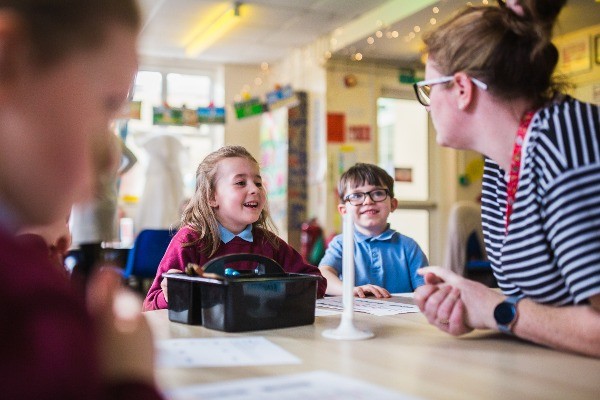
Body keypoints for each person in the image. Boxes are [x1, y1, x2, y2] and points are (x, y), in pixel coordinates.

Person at [412, 0, 600, 357]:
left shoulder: (564, 141)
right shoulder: (502, 165)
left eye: (428, 88)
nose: (428, 105)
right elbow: (537, 309)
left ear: (462, 88)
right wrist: (473, 305)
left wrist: (499, 311)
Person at [0, 0, 164, 398]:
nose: (109, 157)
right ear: (9, 57)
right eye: (108, 103)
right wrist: (129, 379)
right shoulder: (29, 311)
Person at [143, 145, 326, 310]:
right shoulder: (189, 241)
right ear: (212, 197)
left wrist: (277, 289)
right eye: (240, 183)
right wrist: (171, 295)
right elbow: (150, 305)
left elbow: (316, 282)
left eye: (258, 183)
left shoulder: (269, 243)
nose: (254, 189)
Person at [318, 163, 428, 298]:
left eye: (378, 193)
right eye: (357, 195)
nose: (368, 201)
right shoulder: (341, 243)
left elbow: (424, 289)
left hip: (401, 317)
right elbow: (323, 275)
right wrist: (349, 290)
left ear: (393, 204)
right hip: (356, 317)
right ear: (344, 210)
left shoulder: (409, 246)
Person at [70, 131, 137, 282]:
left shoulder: (88, 137)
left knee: (88, 251)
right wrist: (117, 174)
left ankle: (89, 292)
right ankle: (98, 288)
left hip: (89, 199)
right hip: (108, 199)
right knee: (99, 250)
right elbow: (132, 159)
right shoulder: (113, 138)